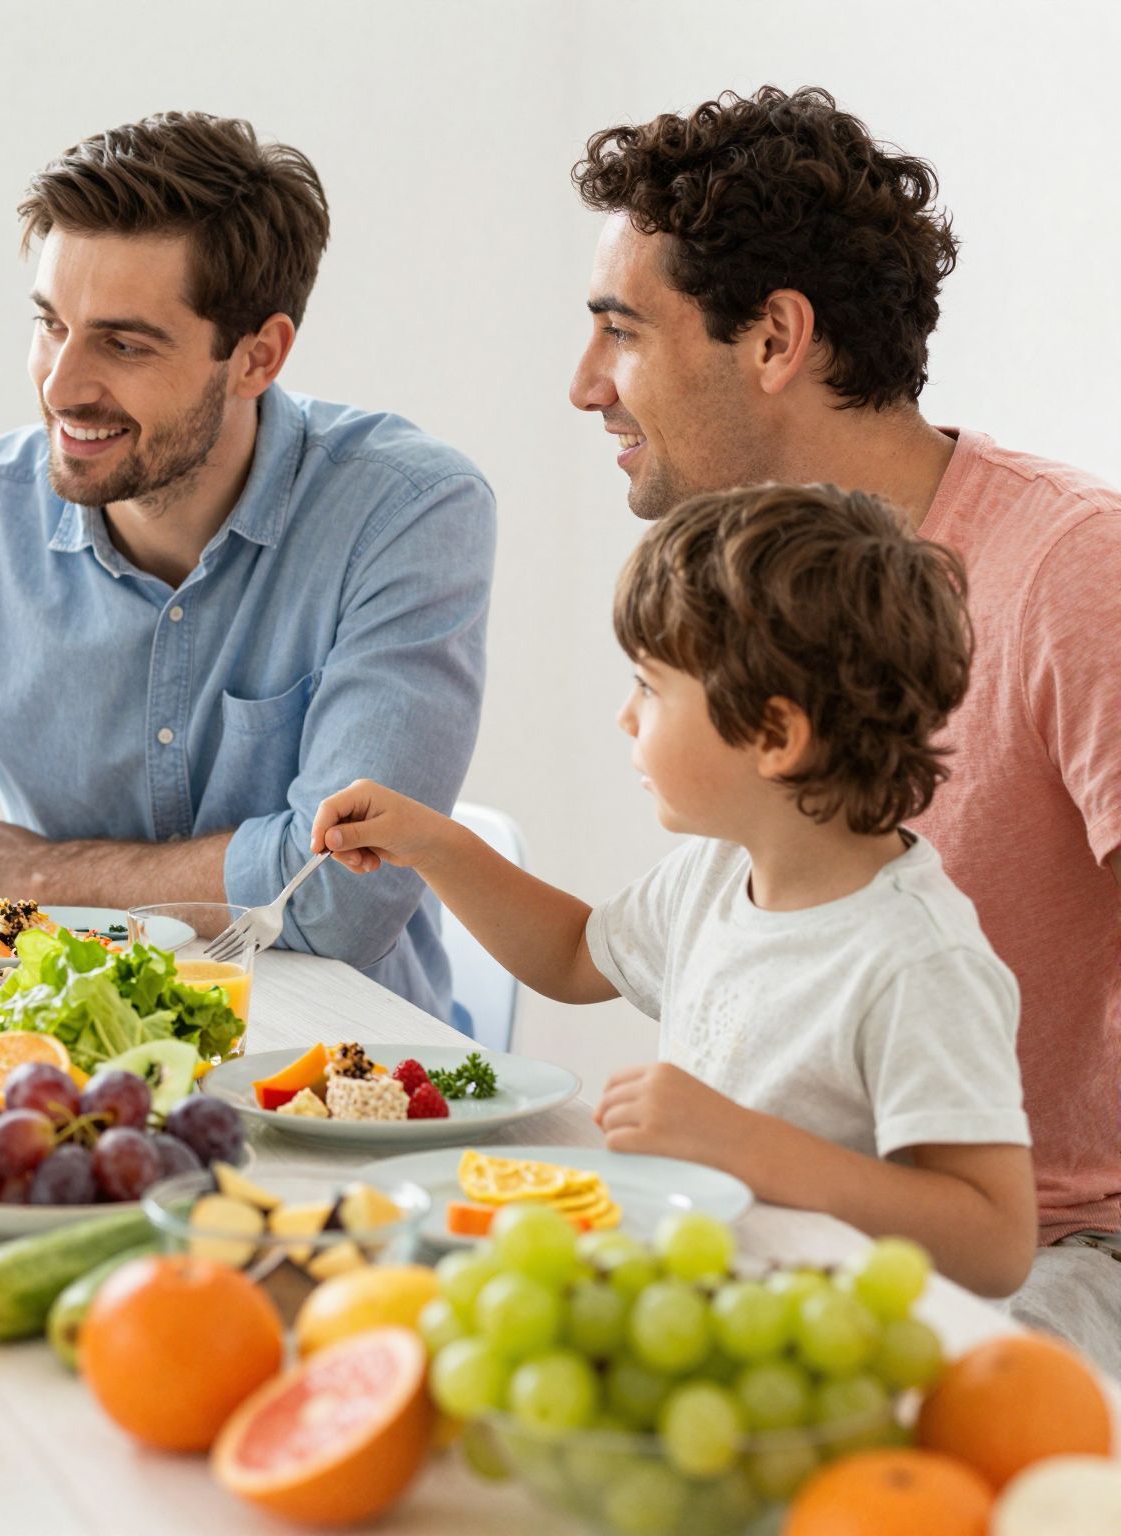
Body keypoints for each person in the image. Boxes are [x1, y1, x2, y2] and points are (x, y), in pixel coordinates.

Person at [567, 85, 1121, 1361]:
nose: (585, 385)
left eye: (621, 333)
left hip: (1043, 1252)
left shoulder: (1070, 571)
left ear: (773, 338)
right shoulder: (741, 607)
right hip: (794, 1220)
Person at [0, 112, 496, 1022]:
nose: (62, 386)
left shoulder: (405, 512)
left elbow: (341, 898)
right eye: (51, 324)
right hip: (47, 1063)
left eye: (124, 343)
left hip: (338, 1078)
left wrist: (39, 877)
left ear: (258, 355)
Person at [314, 484, 1034, 1295]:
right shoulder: (721, 870)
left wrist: (750, 1147)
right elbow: (571, 954)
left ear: (774, 734)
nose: (626, 717)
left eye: (651, 688)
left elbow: (998, 1240)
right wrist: (436, 846)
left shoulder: (918, 961)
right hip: (705, 1295)